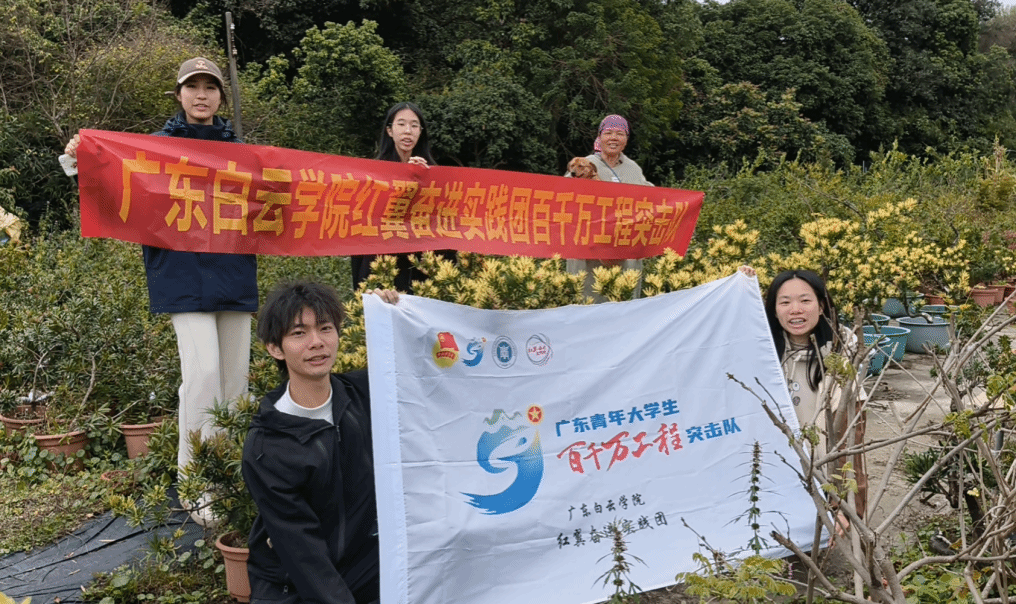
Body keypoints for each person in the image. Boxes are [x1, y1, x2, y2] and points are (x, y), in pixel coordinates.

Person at [64, 58, 256, 515]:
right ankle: (197, 486)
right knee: (203, 376)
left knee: (234, 385)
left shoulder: (243, 154)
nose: (202, 95)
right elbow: (109, 180)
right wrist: (78, 157)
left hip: (233, 274)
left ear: (221, 97)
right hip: (181, 276)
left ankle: (229, 480)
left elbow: (285, 198)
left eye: (210, 87)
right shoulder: (154, 149)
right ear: (179, 94)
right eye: (193, 86)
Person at [242, 281, 398, 604]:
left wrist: (392, 317)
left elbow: (425, 372)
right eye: (299, 333)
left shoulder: (364, 394)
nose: (317, 342)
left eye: (326, 328)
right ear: (275, 348)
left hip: (366, 565)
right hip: (294, 585)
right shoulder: (267, 448)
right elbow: (302, 554)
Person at [744, 266, 868, 527]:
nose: (795, 310)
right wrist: (742, 289)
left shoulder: (841, 360)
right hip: (771, 477)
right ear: (773, 310)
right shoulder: (762, 355)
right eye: (784, 302)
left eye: (805, 300)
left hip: (821, 479)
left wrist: (845, 508)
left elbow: (850, 449)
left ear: (821, 306)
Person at [350, 102, 453, 294]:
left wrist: (424, 180)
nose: (408, 131)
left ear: (420, 132)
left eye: (414, 126)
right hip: (382, 260)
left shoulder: (433, 173)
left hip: (420, 264)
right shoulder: (372, 173)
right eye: (401, 124)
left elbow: (442, 218)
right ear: (389, 131)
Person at [565, 114, 653, 301]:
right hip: (589, 246)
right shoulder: (584, 164)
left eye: (620, 134)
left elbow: (651, 196)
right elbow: (564, 194)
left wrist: (682, 202)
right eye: (608, 133)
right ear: (600, 137)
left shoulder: (632, 168)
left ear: (626, 140)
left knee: (623, 299)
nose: (614, 138)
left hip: (623, 245)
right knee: (588, 298)